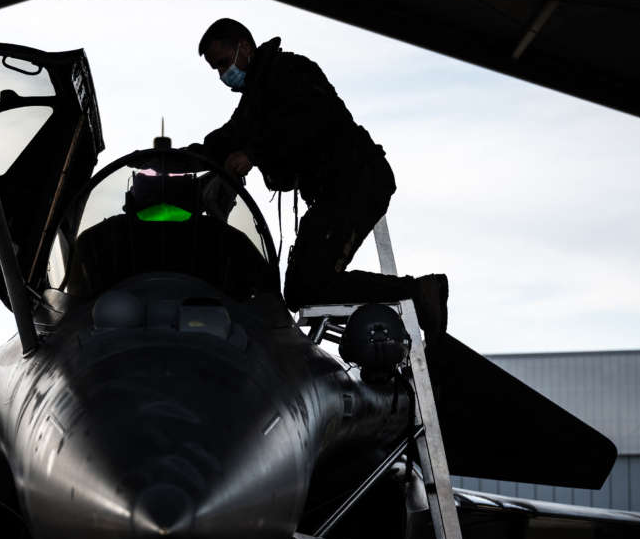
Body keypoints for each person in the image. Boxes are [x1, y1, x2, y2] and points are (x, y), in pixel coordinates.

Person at [188, 18, 447, 339]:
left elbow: (311, 121)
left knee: (309, 283)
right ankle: (415, 293)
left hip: (354, 180)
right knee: (299, 290)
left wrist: (254, 154)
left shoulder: (290, 72)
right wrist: (178, 164)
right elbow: (226, 140)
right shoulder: (256, 102)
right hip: (332, 192)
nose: (222, 75)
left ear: (244, 46)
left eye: (224, 63)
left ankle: (418, 293)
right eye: (216, 69)